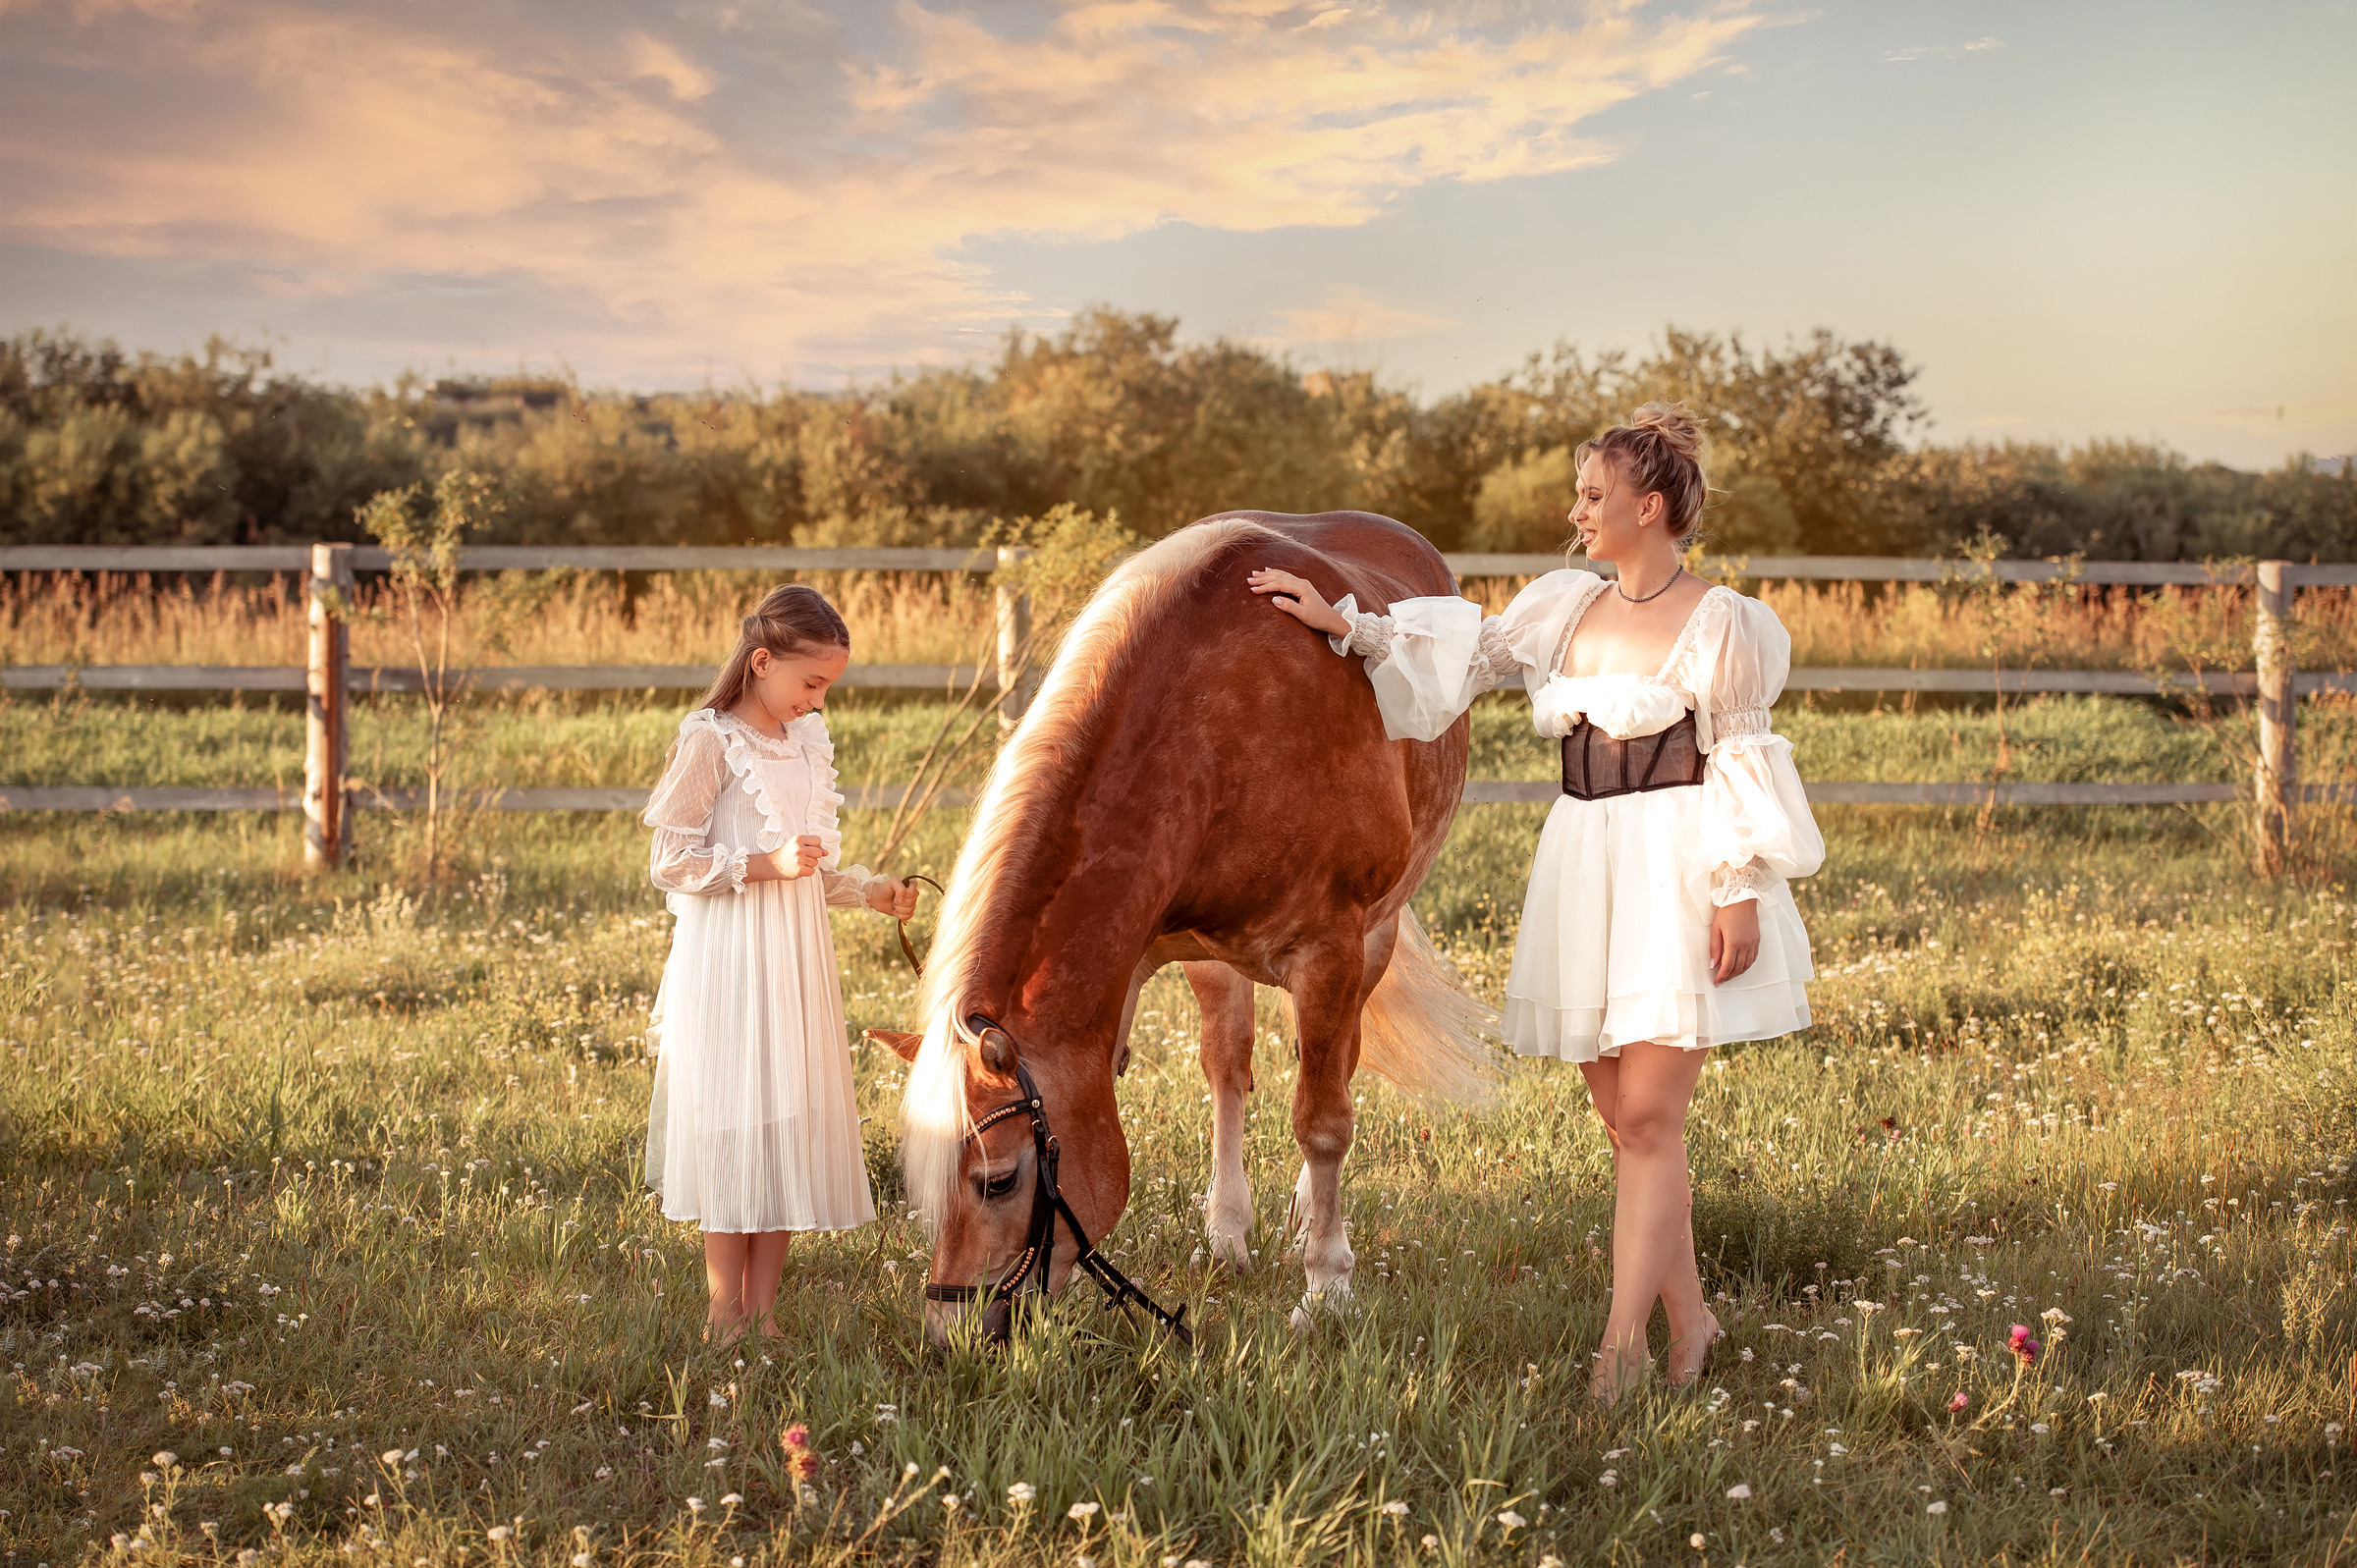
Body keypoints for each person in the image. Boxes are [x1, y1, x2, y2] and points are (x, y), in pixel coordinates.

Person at [1248, 403, 1822, 1400]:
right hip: (1585, 853)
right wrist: (1340, 623)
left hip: (1676, 861)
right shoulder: (1564, 608)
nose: (1577, 510)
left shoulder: (1722, 623)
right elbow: (1454, 662)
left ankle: (1623, 1350)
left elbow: (1738, 756)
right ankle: (1693, 1322)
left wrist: (1737, 891)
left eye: (1595, 496)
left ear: (1651, 507)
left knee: (1647, 1113)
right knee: (1622, 1114)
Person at [640, 584, 923, 1342]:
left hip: (794, 959)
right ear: (761, 662)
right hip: (732, 958)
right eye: (810, 682)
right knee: (734, 1121)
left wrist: (871, 890)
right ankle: (719, 1311)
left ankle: (762, 1312)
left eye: (827, 686)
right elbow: (671, 860)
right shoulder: (711, 739)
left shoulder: (807, 742)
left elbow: (815, 865)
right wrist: (764, 863)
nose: (816, 698)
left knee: (784, 1120)